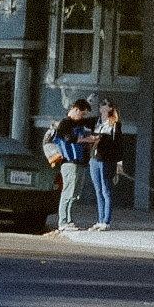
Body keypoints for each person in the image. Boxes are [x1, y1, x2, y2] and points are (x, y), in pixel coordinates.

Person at [44, 98, 95, 232]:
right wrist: (87, 139)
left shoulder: (79, 123)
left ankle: (69, 220)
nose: (83, 117)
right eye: (82, 114)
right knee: (68, 191)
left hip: (80, 162)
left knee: (75, 193)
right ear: (76, 110)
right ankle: (63, 221)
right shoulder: (65, 124)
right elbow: (69, 139)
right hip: (69, 162)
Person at [90, 101, 127, 231]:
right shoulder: (96, 122)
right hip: (94, 159)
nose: (101, 106)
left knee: (106, 190)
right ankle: (100, 220)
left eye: (104, 104)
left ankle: (106, 220)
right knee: (98, 190)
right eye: (100, 104)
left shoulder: (114, 124)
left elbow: (119, 145)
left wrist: (119, 163)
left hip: (107, 160)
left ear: (110, 108)